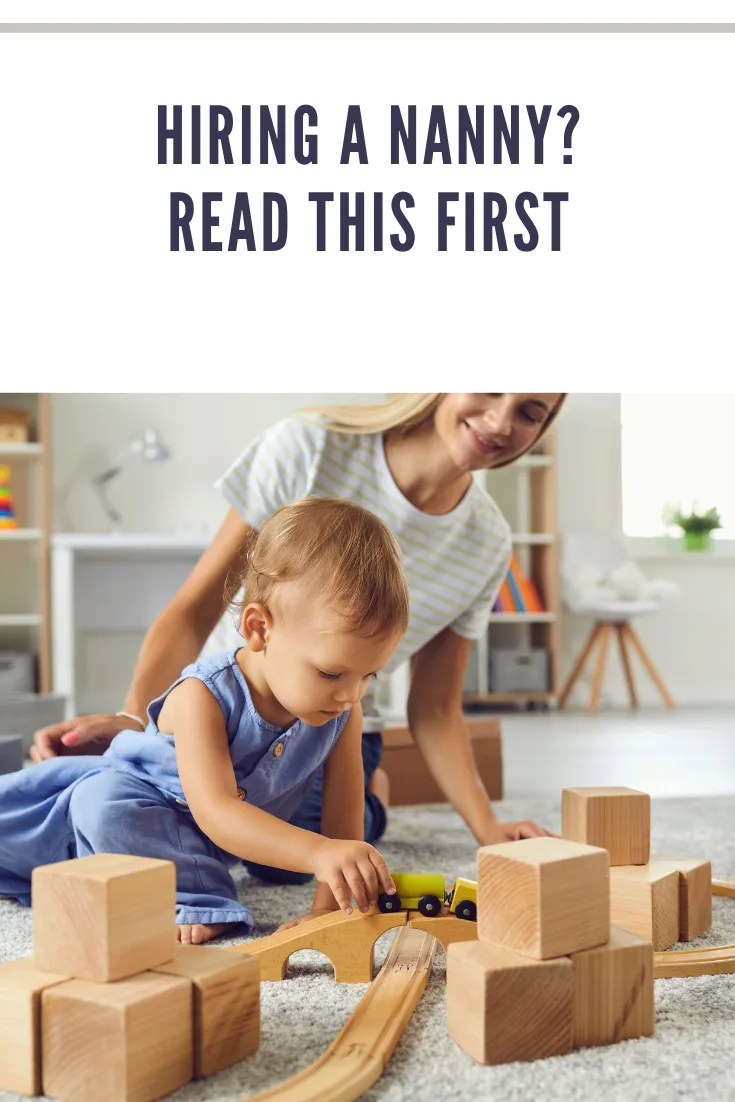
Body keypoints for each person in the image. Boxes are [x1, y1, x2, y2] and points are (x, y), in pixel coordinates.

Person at [33, 392, 565, 870]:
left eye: (530, 413)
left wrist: (487, 829)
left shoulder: (488, 540)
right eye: (490, 388)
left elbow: (436, 706)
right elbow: (194, 610)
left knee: (292, 856)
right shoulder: (309, 447)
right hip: (216, 715)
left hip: (325, 731)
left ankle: (369, 792)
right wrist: (137, 731)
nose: (500, 420)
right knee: (137, 812)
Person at [1, 499, 405, 943]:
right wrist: (320, 852)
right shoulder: (202, 694)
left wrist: (328, 909)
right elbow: (216, 811)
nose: (351, 694)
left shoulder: (342, 709)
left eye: (369, 675)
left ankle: (374, 798)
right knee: (98, 803)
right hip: (145, 809)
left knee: (303, 859)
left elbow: (342, 821)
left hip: (222, 837)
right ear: (259, 629)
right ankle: (197, 898)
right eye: (331, 673)